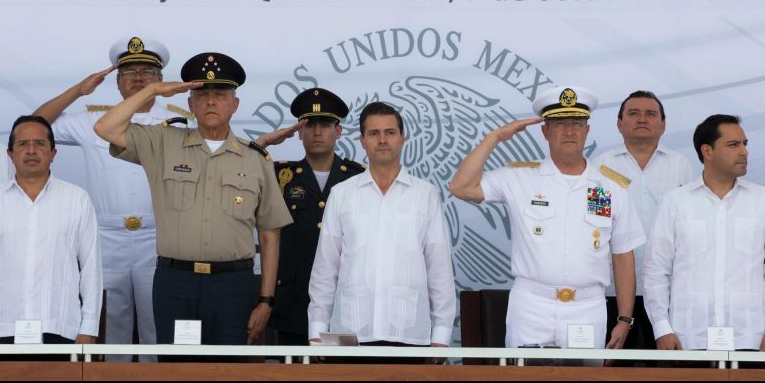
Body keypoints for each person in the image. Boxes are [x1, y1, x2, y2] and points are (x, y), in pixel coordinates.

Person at [93, 52, 292, 358]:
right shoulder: (163, 143)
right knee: (177, 371)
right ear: (190, 103)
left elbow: (269, 236)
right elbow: (105, 128)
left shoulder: (256, 160)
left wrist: (266, 299)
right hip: (176, 284)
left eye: (220, 95)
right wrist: (153, 91)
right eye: (203, 94)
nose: (211, 101)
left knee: (229, 372)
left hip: (233, 286)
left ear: (234, 104)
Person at [449, 86, 645, 353]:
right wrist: (494, 137)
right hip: (532, 305)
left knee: (584, 381)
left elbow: (623, 256)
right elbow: (460, 187)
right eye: (560, 124)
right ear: (545, 131)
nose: (569, 132)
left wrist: (624, 319)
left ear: (587, 131)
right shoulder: (519, 178)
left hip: (587, 308)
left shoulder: (610, 186)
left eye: (576, 124)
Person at [32, 36, 187, 362]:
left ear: (159, 80)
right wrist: (78, 90)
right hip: (106, 238)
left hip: (157, 236)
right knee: (108, 328)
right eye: (129, 73)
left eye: (147, 72)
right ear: (117, 82)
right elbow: (35, 126)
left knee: (155, 328)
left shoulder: (181, 121)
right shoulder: (93, 121)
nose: (139, 78)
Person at [308, 102, 455, 365]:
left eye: (390, 132)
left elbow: (439, 269)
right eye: (374, 133)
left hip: (409, 334)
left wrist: (441, 335)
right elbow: (325, 268)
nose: (383, 140)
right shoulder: (342, 194)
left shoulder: (425, 194)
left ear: (402, 138)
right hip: (349, 336)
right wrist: (316, 330)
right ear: (362, 140)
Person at [644, 115, 765, 353]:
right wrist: (662, 329)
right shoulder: (675, 202)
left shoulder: (761, 201)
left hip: (751, 338)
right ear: (707, 151)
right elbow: (656, 271)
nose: (744, 152)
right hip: (687, 338)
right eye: (733, 145)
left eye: (745, 144)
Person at [592, 91, 693, 354]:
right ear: (619, 124)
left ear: (663, 124)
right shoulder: (599, 167)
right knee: (614, 369)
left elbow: (687, 227)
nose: (642, 119)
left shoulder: (681, 166)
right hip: (613, 290)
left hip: (667, 291)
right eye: (633, 113)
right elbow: (595, 225)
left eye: (651, 114)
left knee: (666, 371)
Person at [0, 116, 102, 358]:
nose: (31, 150)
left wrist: (89, 329)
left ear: (53, 153)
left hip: (62, 329)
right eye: (22, 144)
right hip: (1, 328)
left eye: (39, 143)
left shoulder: (77, 199)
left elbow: (91, 270)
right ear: (10, 154)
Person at [270, 88, 365, 347]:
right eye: (309, 125)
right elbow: (240, 167)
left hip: (344, 301)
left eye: (325, 124)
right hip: (294, 301)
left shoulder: (358, 178)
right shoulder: (280, 176)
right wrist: (266, 142)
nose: (317, 132)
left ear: (338, 131)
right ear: (299, 131)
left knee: (343, 376)